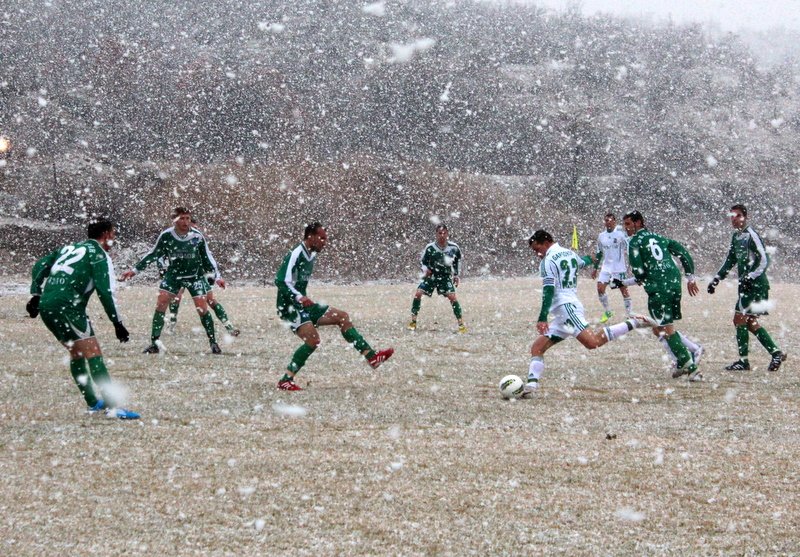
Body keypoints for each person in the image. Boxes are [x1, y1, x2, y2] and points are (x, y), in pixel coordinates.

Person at [26, 220, 140, 419]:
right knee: (93, 353)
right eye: (113, 234)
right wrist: (117, 323)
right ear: (106, 235)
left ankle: (93, 402)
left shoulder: (70, 247)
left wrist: (36, 293)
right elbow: (106, 292)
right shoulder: (99, 255)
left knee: (76, 352)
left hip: (47, 305)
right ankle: (112, 408)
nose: (114, 238)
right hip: (68, 306)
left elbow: (41, 264)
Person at [523, 230, 656, 394]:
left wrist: (542, 317)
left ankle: (635, 322)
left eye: (537, 249)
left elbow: (548, 290)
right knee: (537, 347)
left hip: (567, 309)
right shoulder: (568, 253)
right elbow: (583, 261)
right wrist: (594, 258)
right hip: (564, 312)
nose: (537, 254)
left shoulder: (548, 261)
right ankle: (531, 385)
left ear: (546, 242)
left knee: (592, 343)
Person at [274, 222, 394, 391]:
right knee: (313, 341)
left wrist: (303, 298)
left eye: (326, 238)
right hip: (289, 307)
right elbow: (280, 281)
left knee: (342, 317)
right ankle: (286, 380)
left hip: (304, 305)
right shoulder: (296, 253)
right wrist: (299, 297)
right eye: (322, 238)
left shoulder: (311, 254)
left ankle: (372, 357)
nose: (325, 242)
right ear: (311, 237)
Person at [120, 207, 225, 354]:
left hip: (194, 276)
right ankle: (154, 343)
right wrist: (135, 270)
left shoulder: (197, 236)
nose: (186, 221)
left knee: (202, 307)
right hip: (174, 276)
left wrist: (216, 277)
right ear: (174, 220)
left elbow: (207, 258)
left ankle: (213, 343)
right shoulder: (166, 236)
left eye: (188, 218)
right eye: (182, 218)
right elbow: (153, 254)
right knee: (161, 303)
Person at [622, 211, 701, 381]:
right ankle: (682, 362)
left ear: (638, 223)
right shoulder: (660, 238)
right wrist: (690, 277)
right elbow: (683, 253)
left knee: (664, 330)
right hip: (673, 284)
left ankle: (692, 365)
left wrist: (626, 282)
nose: (626, 228)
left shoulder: (634, 242)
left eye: (628, 224)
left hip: (659, 288)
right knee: (662, 327)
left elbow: (639, 271)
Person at [707, 204, 786, 371]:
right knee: (750, 322)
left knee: (739, 319)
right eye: (732, 216)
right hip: (747, 285)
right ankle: (776, 353)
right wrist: (716, 278)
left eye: (737, 215)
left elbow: (764, 259)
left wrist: (750, 277)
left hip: (755, 285)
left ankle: (744, 361)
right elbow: (730, 260)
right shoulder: (736, 236)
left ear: (745, 217)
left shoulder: (751, 235)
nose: (733, 219)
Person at [164, 216, 240, 337]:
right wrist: (164, 268)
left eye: (194, 228)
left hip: (198, 276)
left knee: (211, 300)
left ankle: (229, 326)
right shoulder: (174, 239)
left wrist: (217, 277)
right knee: (176, 299)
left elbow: (210, 259)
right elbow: (163, 255)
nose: (193, 231)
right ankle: (171, 325)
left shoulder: (199, 240)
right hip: (179, 275)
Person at [407, 223, 466, 333]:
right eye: (440, 233)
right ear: (436, 234)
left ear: (447, 234)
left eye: (444, 233)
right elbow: (423, 262)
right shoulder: (430, 248)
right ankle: (413, 322)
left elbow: (457, 261)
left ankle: (461, 324)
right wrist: (426, 270)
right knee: (418, 293)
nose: (442, 235)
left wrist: (456, 275)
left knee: (452, 297)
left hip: (445, 276)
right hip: (432, 276)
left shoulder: (454, 247)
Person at [592, 213, 633, 323]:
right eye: (606, 221)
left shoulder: (620, 234)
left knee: (624, 290)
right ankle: (608, 311)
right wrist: (595, 268)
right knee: (600, 289)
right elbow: (599, 252)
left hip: (618, 268)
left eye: (610, 220)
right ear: (604, 222)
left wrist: (633, 263)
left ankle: (629, 315)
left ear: (614, 221)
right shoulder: (601, 236)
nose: (608, 222)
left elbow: (630, 247)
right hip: (606, 268)